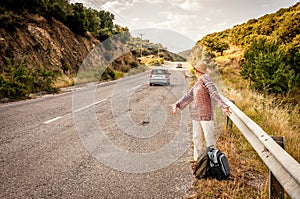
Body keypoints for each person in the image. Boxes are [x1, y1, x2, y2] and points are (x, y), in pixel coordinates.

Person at [171, 62, 231, 162]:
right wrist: (176, 104)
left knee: (209, 142)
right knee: (196, 139)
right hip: (196, 116)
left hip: (206, 115)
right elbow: (189, 96)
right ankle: (197, 162)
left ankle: (212, 164)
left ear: (196, 70)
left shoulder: (206, 78)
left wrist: (223, 106)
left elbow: (213, 92)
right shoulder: (197, 82)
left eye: (194, 70)